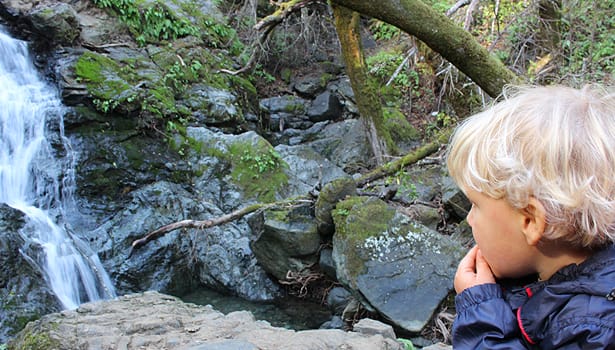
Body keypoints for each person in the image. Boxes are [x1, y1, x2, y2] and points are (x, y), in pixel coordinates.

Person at [445, 84, 615, 349]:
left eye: (476, 205)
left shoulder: (592, 332)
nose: (469, 219)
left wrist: (481, 316)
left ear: (531, 221)